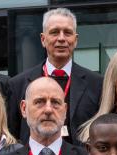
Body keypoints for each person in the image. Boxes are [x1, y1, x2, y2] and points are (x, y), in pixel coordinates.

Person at [7, 7, 103, 144]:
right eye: (54, 32)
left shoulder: (97, 84)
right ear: (43, 39)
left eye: (67, 33)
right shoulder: (18, 85)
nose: (61, 38)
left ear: (75, 40)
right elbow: (13, 136)